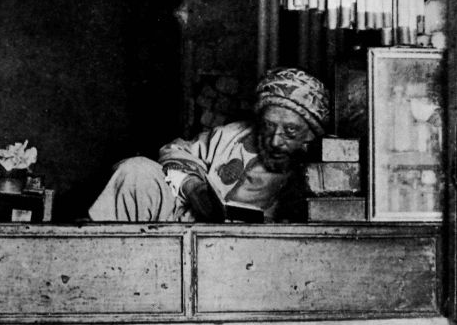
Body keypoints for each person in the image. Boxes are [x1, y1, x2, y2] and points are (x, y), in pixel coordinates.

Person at [88, 67, 329, 223]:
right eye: (268, 126)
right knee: (136, 170)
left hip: (250, 255)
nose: (276, 140)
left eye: (290, 130)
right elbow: (176, 150)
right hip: (184, 226)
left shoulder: (321, 171)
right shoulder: (233, 135)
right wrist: (193, 187)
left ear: (310, 134)